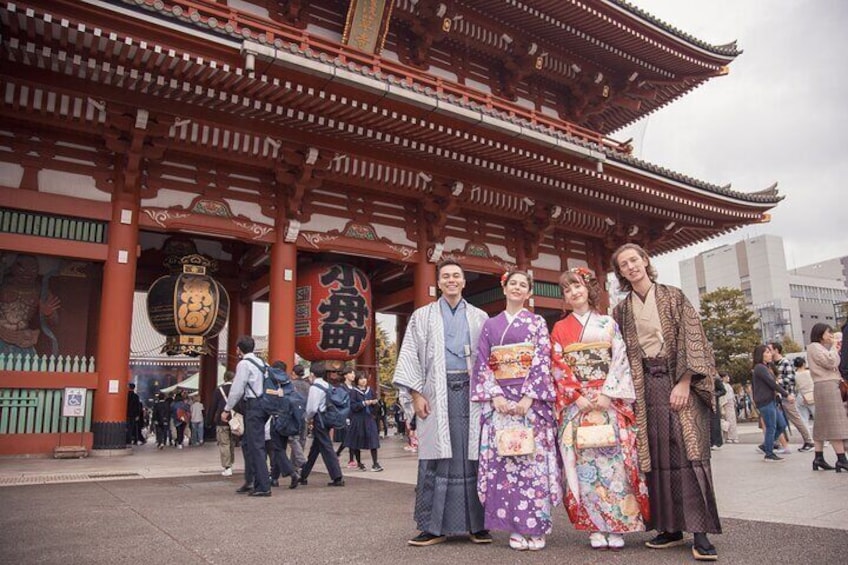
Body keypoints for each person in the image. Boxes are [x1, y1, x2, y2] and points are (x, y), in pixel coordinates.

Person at [611, 243, 721, 561]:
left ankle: (700, 533)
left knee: (688, 455)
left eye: (635, 260)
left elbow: (693, 338)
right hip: (643, 388)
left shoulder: (673, 296)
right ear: (619, 272)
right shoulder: (621, 310)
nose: (631, 267)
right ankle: (669, 527)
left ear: (646, 261)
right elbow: (618, 355)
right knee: (656, 456)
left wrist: (685, 381)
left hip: (677, 381)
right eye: (624, 264)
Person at [393, 258, 491, 547]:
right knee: (436, 456)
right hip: (434, 394)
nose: (451, 280)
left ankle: (478, 524)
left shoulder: (480, 317)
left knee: (472, 454)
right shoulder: (422, 316)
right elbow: (410, 355)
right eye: (446, 276)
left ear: (463, 282)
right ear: (439, 282)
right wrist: (415, 394)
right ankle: (432, 526)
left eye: (456, 276)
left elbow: (489, 358)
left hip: (472, 394)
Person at [551, 267, 647, 551]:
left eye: (577, 287)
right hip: (578, 405)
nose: (573, 293)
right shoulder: (559, 328)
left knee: (613, 463)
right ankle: (593, 525)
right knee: (583, 464)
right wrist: (576, 395)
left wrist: (607, 392)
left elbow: (619, 359)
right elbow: (557, 364)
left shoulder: (608, 323)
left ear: (588, 289)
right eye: (568, 290)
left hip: (607, 400)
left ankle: (616, 524)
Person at [472, 269, 561, 551]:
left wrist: (528, 398)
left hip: (529, 405)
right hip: (500, 403)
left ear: (529, 292)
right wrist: (495, 395)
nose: (518, 288)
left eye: (524, 285)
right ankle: (514, 526)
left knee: (532, 464)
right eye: (513, 284)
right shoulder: (490, 325)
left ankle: (535, 525)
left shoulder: (536, 323)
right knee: (506, 464)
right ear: (504, 288)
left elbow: (542, 362)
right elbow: (483, 361)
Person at [222, 335, 272, 497]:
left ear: (239, 349)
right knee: (249, 444)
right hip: (264, 405)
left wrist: (227, 408)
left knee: (255, 446)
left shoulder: (244, 364)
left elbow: (237, 389)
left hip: (253, 406)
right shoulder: (263, 363)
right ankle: (251, 480)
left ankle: (263, 485)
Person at [806, 323, 848, 472]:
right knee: (835, 422)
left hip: (823, 385)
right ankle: (841, 459)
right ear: (820, 334)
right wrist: (836, 347)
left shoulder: (816, 348)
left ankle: (818, 457)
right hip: (827, 385)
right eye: (828, 332)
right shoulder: (815, 347)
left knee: (822, 423)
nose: (830, 335)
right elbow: (830, 362)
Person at [0, 254, 61, 356]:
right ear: (13, 267)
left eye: (33, 269)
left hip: (23, 339)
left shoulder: (41, 290)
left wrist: (48, 313)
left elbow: (54, 321)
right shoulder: (3, 285)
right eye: (22, 269)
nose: (27, 273)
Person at [298, 361, 345, 487]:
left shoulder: (315, 387)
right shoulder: (327, 385)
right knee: (315, 449)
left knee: (327, 448)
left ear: (312, 374)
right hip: (327, 419)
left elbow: (312, 408)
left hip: (320, 420)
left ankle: (337, 476)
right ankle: (303, 475)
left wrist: (307, 418)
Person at [769, 343, 814, 452]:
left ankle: (809, 441)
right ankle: (778, 443)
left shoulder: (784, 362)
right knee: (778, 421)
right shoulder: (771, 364)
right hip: (777, 396)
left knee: (796, 419)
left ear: (776, 350)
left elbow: (790, 378)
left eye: (770, 349)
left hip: (787, 395)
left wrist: (777, 381)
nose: (769, 352)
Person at [751, 345, 789, 462]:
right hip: (765, 401)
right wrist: (786, 394)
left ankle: (766, 445)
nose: (770, 354)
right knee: (771, 426)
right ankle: (769, 453)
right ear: (760, 355)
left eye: (769, 352)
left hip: (771, 400)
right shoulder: (759, 368)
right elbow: (771, 383)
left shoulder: (766, 367)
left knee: (781, 424)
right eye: (767, 352)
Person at [267, 360, 300, 489]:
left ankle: (292, 473)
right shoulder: (290, 384)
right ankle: (274, 478)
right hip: (289, 420)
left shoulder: (274, 383)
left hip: (277, 419)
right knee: (280, 448)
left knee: (277, 449)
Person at [345, 370, 383, 472]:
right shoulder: (353, 392)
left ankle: (375, 463)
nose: (363, 380)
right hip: (358, 419)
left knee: (373, 440)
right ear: (357, 380)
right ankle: (359, 463)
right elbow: (352, 406)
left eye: (364, 378)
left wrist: (375, 404)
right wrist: (364, 403)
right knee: (357, 441)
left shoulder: (370, 390)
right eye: (361, 378)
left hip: (369, 418)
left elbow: (376, 405)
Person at [210, 370, 235, 476]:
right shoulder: (236, 389)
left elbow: (213, 406)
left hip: (222, 420)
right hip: (234, 420)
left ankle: (227, 467)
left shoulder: (219, 390)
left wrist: (209, 420)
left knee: (224, 443)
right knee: (232, 443)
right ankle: (231, 462)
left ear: (224, 378)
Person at [288, 364, 310, 473]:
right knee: (302, 439)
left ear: (293, 373)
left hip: (292, 415)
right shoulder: (308, 386)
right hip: (304, 415)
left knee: (293, 439)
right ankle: (295, 466)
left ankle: (300, 462)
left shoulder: (290, 385)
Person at [335, 368, 357, 469]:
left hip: (354, 414)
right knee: (349, 436)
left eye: (353, 374)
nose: (353, 375)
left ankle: (344, 456)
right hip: (345, 414)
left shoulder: (354, 387)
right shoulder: (341, 387)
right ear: (345, 375)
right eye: (351, 373)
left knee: (352, 436)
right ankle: (350, 459)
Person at [793, 357, 815, 432]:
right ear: (804, 364)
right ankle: (822, 437)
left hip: (800, 396)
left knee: (803, 418)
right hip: (812, 395)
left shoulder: (794, 375)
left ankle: (808, 438)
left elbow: (795, 387)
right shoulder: (809, 373)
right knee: (817, 418)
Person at [719, 374, 739, 444]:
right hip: (726, 404)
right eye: (726, 377)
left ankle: (734, 436)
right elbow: (723, 397)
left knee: (733, 421)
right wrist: (723, 406)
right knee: (728, 421)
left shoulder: (728, 385)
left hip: (731, 403)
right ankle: (728, 437)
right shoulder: (723, 385)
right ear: (723, 378)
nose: (728, 378)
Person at [709, 375, 726, 450]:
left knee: (715, 423)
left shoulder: (715, 378)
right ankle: (710, 442)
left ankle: (717, 442)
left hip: (714, 404)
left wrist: (715, 394)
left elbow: (723, 391)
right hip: (705, 403)